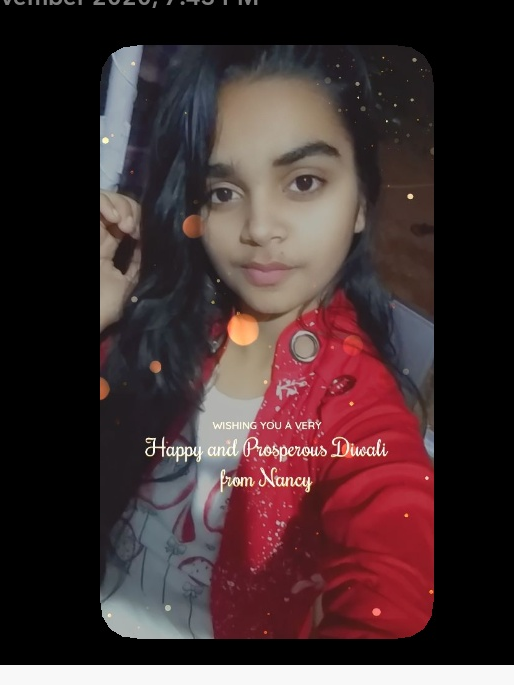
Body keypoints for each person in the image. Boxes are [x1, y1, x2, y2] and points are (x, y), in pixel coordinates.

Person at [100, 44, 434, 640]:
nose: (258, 228)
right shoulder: (167, 322)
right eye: (224, 192)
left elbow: (393, 582)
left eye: (303, 182)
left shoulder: (355, 406)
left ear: (361, 200)